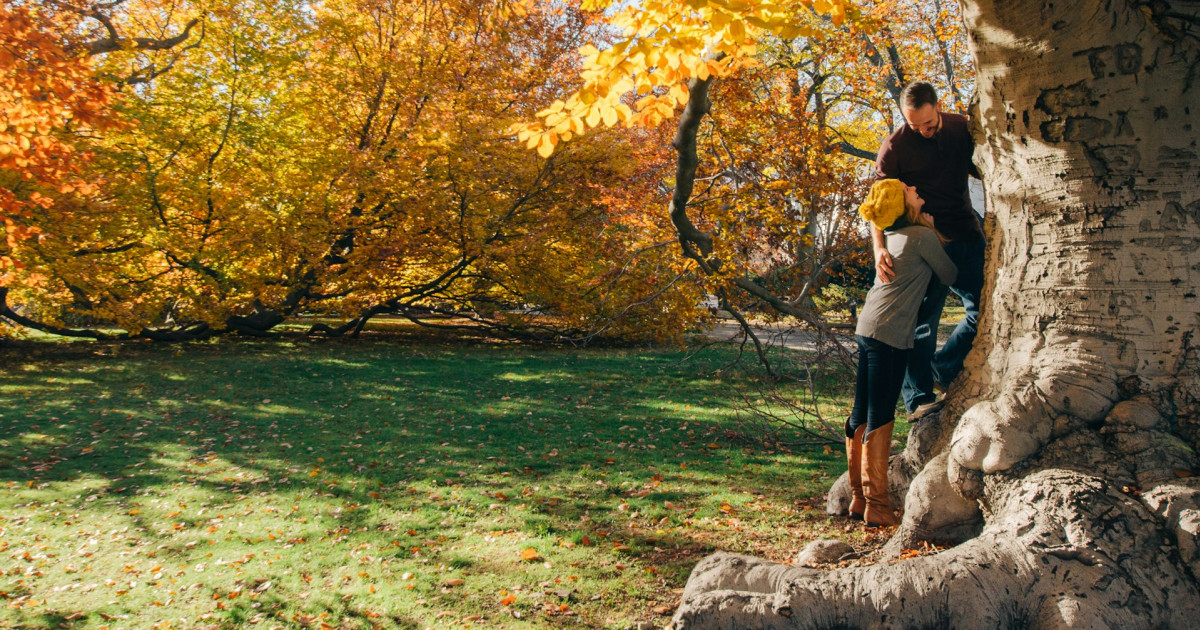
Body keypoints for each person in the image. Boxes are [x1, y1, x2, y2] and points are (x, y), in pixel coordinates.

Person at [847, 179, 957, 527]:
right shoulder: (921, 237)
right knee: (880, 414)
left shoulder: (893, 238)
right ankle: (877, 506)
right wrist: (932, 231)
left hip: (867, 326)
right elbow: (949, 273)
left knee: (860, 412)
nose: (914, 187)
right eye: (908, 190)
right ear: (902, 204)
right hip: (890, 333)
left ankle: (858, 498)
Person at [874, 81, 984, 419]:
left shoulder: (961, 129)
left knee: (983, 312)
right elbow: (877, 206)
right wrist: (879, 250)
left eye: (929, 124)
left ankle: (943, 368)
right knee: (919, 325)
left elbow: (989, 173)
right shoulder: (895, 148)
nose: (923, 131)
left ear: (939, 107)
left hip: (965, 233)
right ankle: (918, 399)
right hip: (922, 241)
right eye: (914, 125)